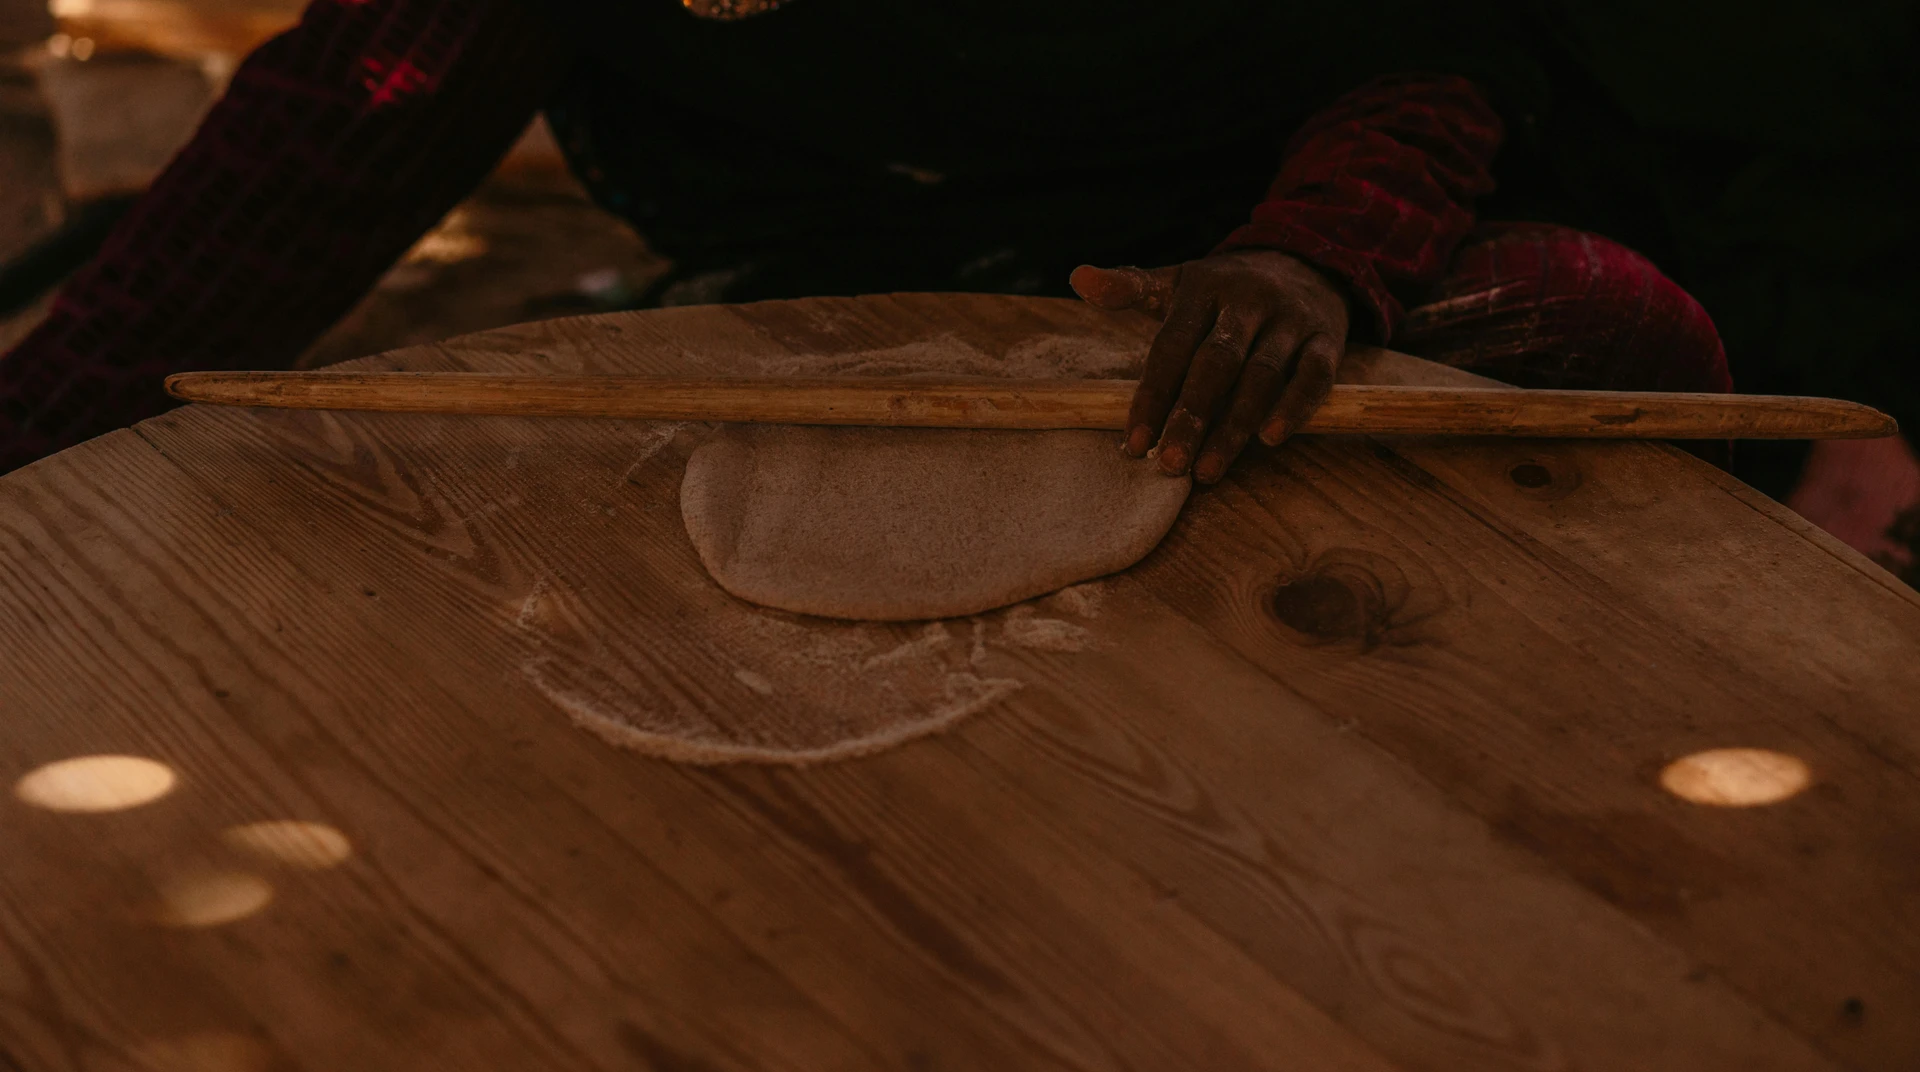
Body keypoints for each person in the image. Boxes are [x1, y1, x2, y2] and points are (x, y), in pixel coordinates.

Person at [0, 0, 1826, 518]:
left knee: (1608, 321)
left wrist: (1310, 261)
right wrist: (42, 431)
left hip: (1217, 242)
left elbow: (1425, 49)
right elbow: (330, 140)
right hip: (836, 260)